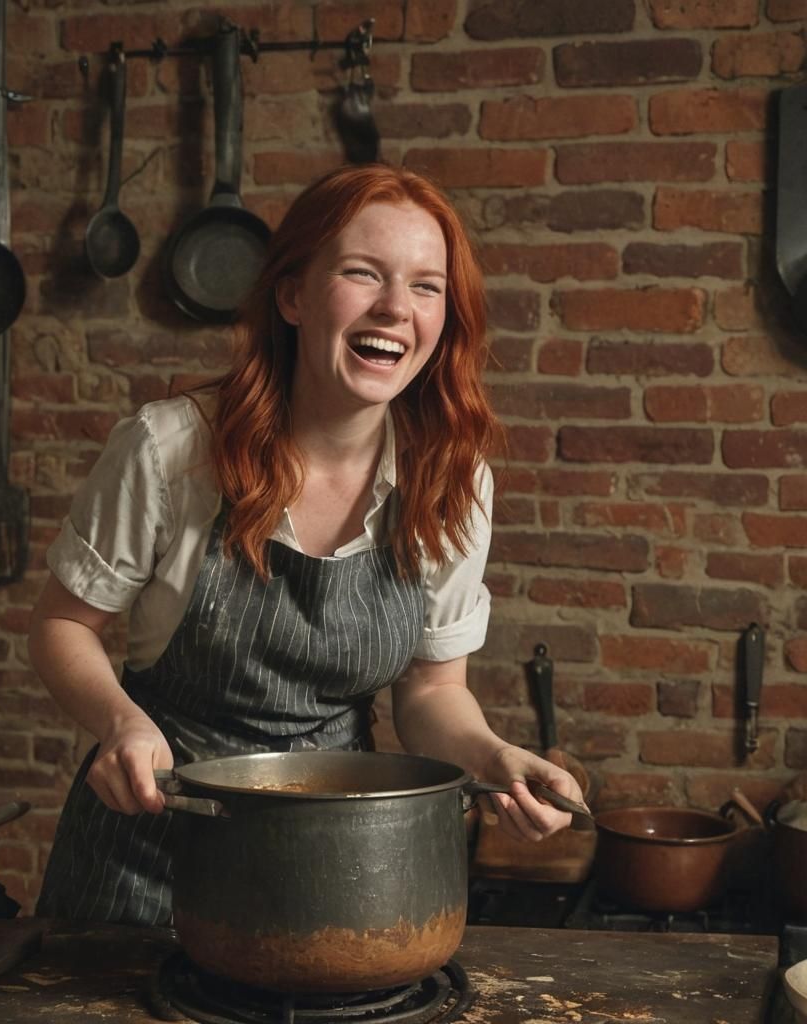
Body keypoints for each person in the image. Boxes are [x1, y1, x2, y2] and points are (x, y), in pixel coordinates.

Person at [29, 163, 585, 926]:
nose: (396, 307)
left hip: (331, 866)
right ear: (292, 295)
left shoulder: (452, 481)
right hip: (151, 854)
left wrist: (493, 759)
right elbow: (64, 625)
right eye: (364, 274)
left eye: (426, 286)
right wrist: (122, 725)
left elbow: (430, 692)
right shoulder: (172, 450)